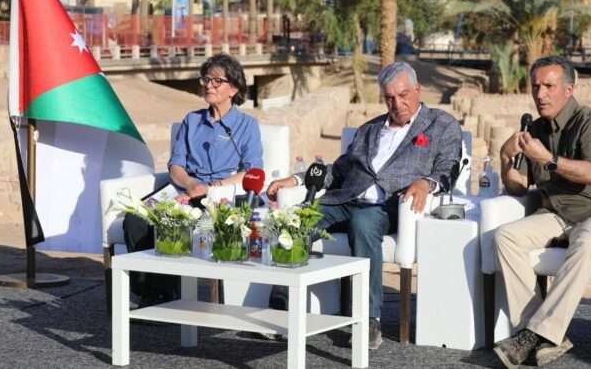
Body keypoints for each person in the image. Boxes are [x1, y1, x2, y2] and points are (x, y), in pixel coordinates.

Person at [266, 61, 462, 349]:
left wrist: (426, 182)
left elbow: (449, 168)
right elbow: (338, 170)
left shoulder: (441, 124)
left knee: (364, 222)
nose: (397, 104)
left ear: (417, 89)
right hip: (346, 199)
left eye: (403, 95)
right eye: (390, 98)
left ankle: (368, 319)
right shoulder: (369, 129)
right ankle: (281, 307)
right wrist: (296, 180)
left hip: (389, 206)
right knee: (297, 221)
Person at [491, 55, 591, 368]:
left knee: (589, 242)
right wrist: (505, 159)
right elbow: (518, 188)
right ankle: (536, 333)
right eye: (535, 86)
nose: (540, 94)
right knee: (505, 236)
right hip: (554, 213)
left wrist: (548, 159)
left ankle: (535, 334)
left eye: (548, 86)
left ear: (568, 89)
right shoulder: (535, 128)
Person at [123, 54, 263, 305]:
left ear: (234, 88)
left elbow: (252, 171)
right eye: (206, 79)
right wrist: (189, 184)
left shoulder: (246, 125)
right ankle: (150, 292)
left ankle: (169, 293)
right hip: (186, 189)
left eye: (217, 81)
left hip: (221, 195)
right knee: (136, 220)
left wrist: (211, 187)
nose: (209, 85)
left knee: (188, 223)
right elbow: (176, 164)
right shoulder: (192, 120)